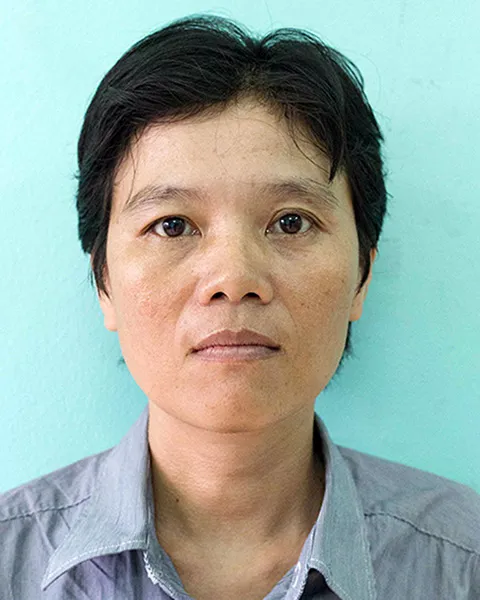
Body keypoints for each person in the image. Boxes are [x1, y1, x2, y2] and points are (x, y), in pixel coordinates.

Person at [1, 14, 479, 600]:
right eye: (172, 225)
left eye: (291, 222)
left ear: (362, 276)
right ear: (104, 282)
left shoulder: (462, 564)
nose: (233, 279)